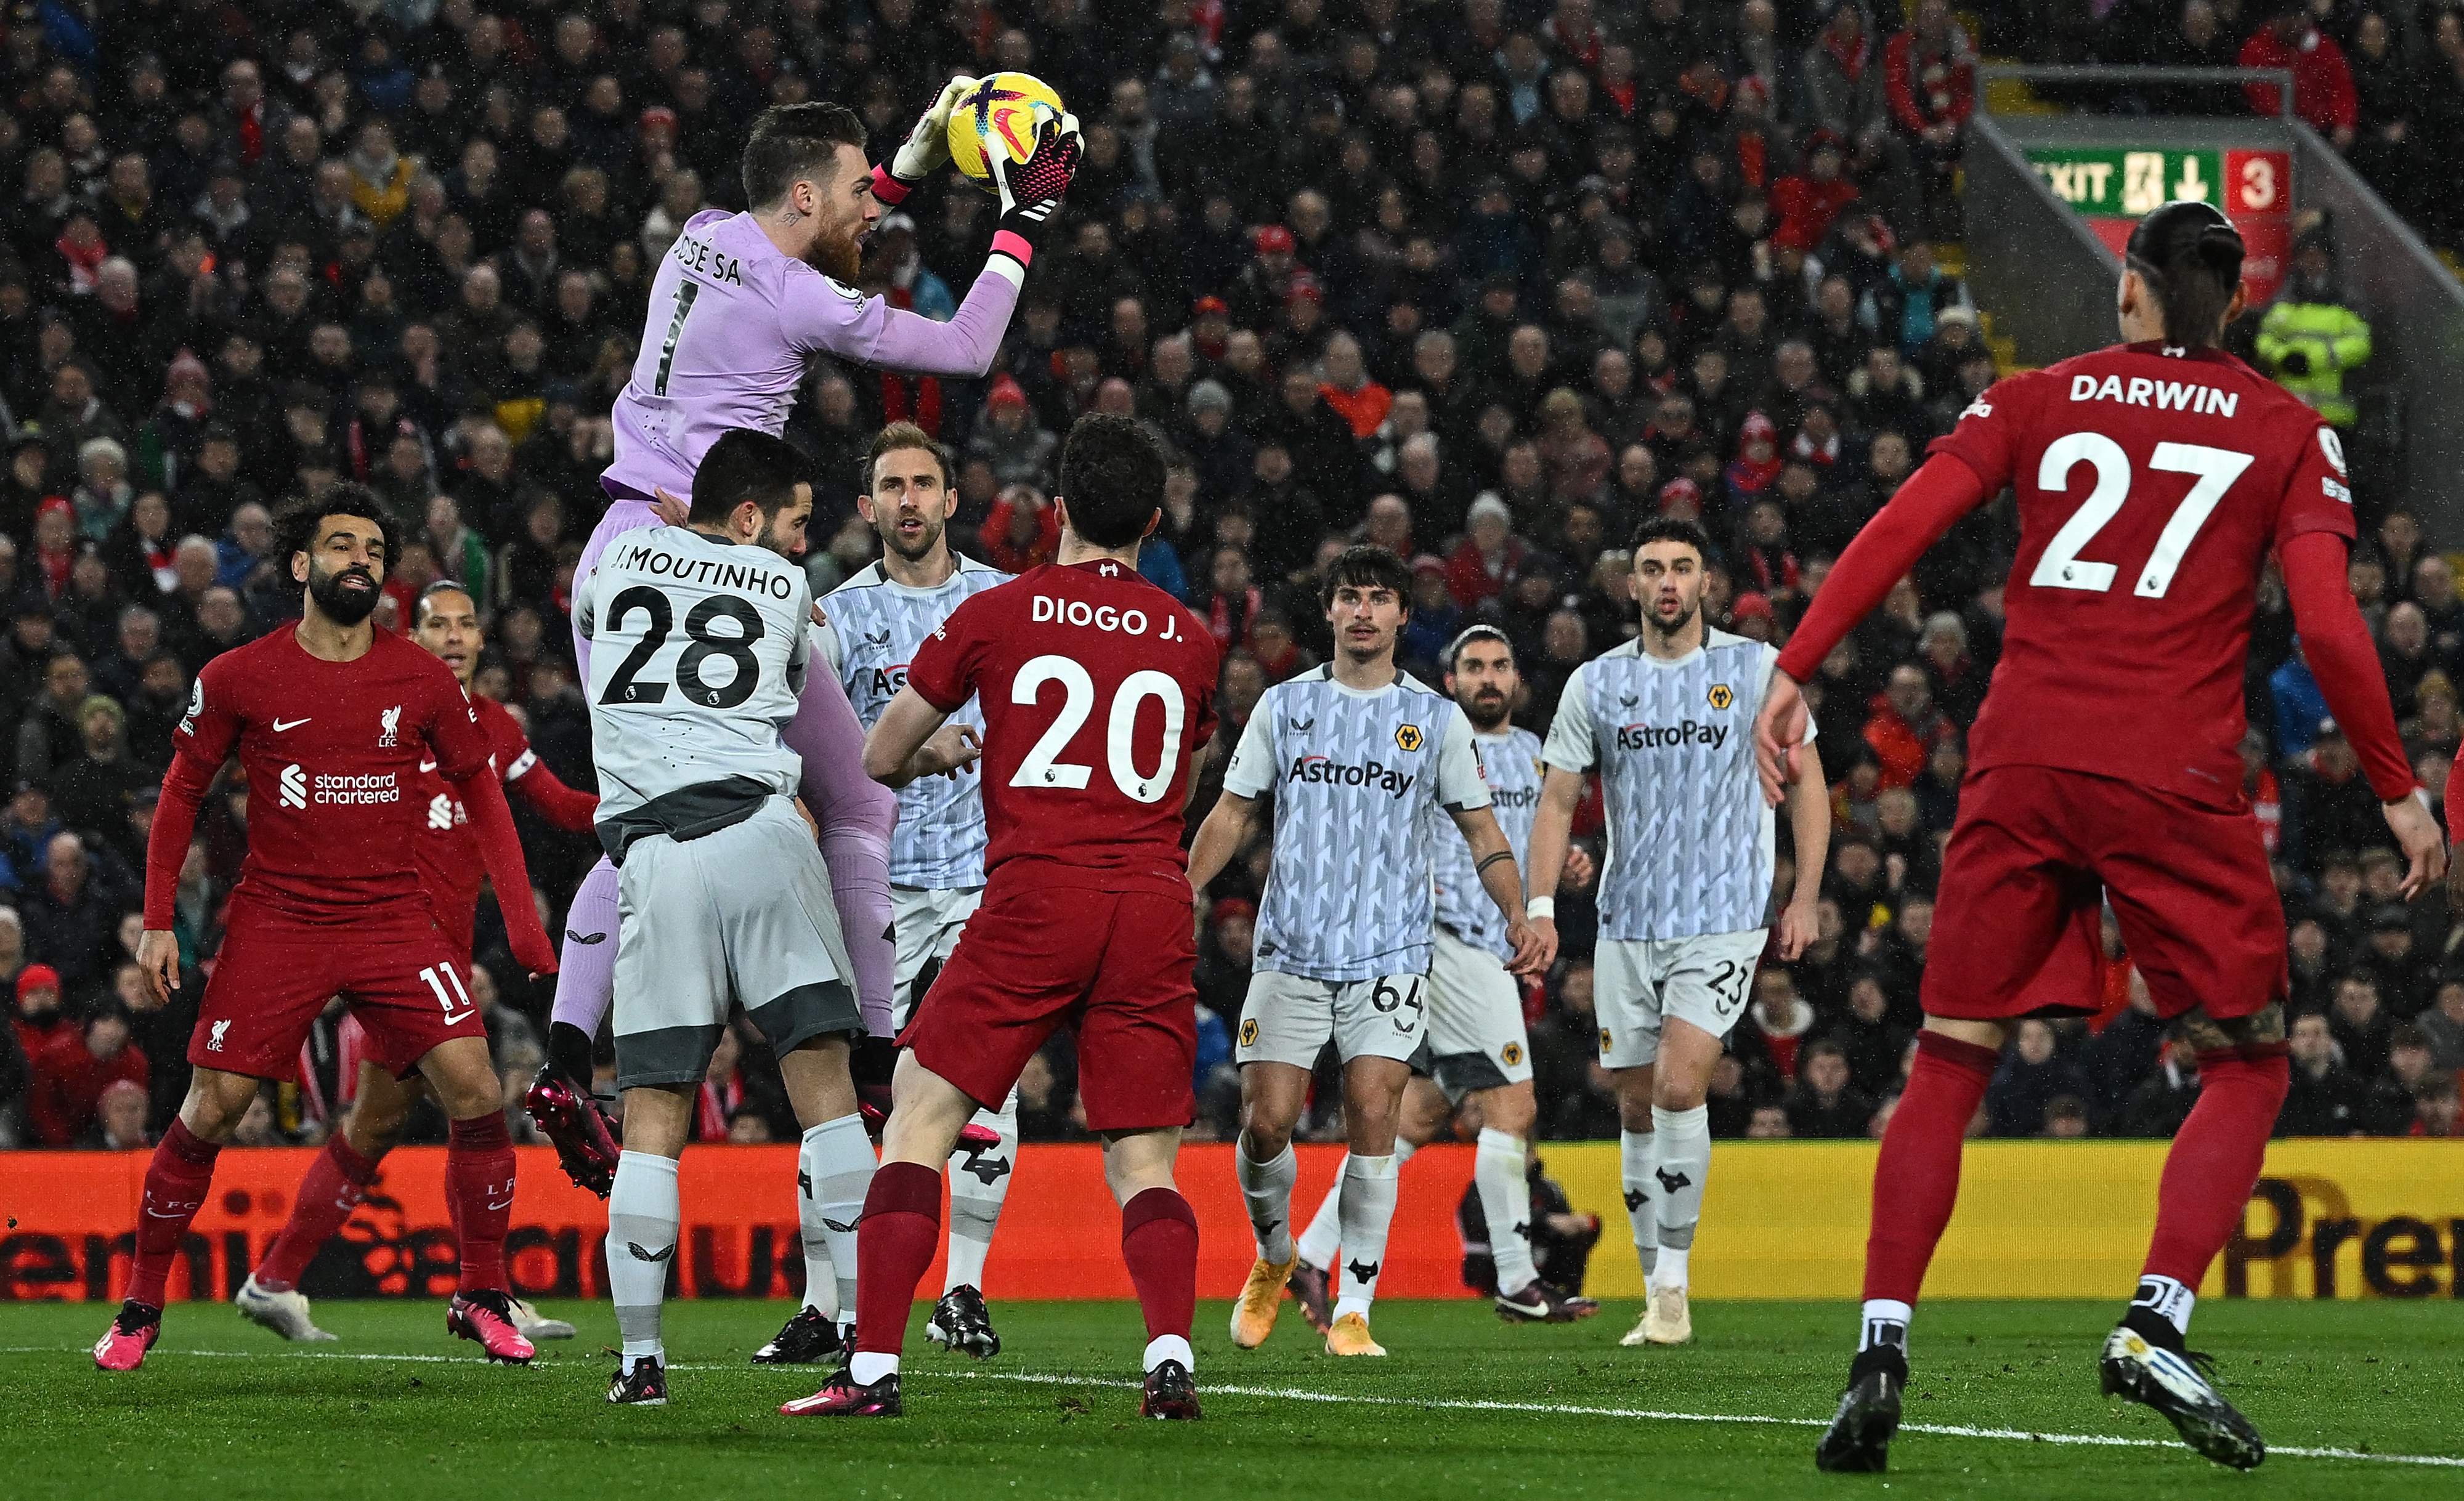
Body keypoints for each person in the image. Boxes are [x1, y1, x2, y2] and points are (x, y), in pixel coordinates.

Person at [1754, 201, 2441, 1473]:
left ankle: (1880, 1348)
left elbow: (1907, 519)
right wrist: (2396, 786)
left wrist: (1796, 665)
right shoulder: (2290, 434)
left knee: (1948, 1055)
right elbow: (2332, 628)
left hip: (2019, 758)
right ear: (2228, 307)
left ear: (2127, 292)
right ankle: (2152, 1323)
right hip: (2169, 770)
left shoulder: (2035, 397)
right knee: (2247, 1061)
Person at [530, 89, 1085, 1184]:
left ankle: (558, 1060)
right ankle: (879, 1060)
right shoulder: (799, 301)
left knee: (655, 816)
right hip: (712, 565)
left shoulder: (702, 237)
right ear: (801, 191)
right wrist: (1027, 213)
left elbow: (824, 224)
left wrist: (914, 162)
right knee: (859, 802)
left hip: (617, 554)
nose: (870, 211)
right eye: (857, 185)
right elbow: (969, 347)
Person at [784, 414, 1222, 1419]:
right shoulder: (1192, 640)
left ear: (1058, 510)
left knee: (921, 1115)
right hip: (1150, 903)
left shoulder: (1004, 612)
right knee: (1144, 1158)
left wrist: (940, 756)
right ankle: (1167, 1359)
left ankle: (874, 1369)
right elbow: (1183, 783)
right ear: (1153, 519)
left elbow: (880, 755)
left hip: (1035, 892)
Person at [95, 485, 560, 1372]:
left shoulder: (419, 676)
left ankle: (482, 1294)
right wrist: (160, 923)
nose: (361, 561)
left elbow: (482, 792)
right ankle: (140, 1305)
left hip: (392, 916)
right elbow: (180, 793)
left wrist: (523, 909)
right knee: (214, 1107)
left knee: (476, 1087)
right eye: (341, 546)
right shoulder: (239, 675)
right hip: (279, 918)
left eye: (375, 552)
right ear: (303, 566)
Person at [1191, 544, 1552, 1359]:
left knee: (1375, 1119)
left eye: (1377, 598)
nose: (1362, 610)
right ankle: (1278, 1253)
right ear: (1329, 611)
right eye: (1349, 596)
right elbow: (1233, 812)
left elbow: (1482, 830)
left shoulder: (1436, 719)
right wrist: (1183, 892)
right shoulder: (1286, 708)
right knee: (1266, 1125)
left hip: (1390, 956)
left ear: (1400, 614)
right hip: (1291, 950)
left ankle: (1354, 1306)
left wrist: (1517, 913)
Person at [582, 430, 878, 1409]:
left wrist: (683, 542)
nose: (799, 547)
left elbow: (620, 602)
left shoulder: (614, 557)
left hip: (654, 862)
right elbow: (800, 660)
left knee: (653, 1118)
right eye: (792, 525)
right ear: (753, 518)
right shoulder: (786, 589)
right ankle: (863, 1347)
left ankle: (639, 1365)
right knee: (826, 1093)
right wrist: (746, 563)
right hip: (759, 837)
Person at [231, 578, 598, 1346]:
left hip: (439, 959)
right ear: (413, 635)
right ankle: (485, 1290)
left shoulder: (495, 726)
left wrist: (651, 803)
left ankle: (275, 1278)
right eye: (440, 624)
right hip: (391, 951)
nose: (457, 636)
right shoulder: (384, 716)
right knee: (478, 1100)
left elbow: (562, 808)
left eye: (468, 624)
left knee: (378, 1124)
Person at [1524, 516, 1831, 1348]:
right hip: (1629, 919)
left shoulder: (1758, 669)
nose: (1667, 582)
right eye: (1652, 568)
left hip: (1724, 917)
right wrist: (1544, 906)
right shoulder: (1596, 683)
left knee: (1677, 1085)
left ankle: (1672, 1289)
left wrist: (1803, 895)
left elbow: (1806, 785)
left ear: (1706, 584)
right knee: (1632, 1100)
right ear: (1632, 587)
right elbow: (1557, 800)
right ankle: (1650, 1275)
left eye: (1682, 567)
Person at [1284, 626, 1600, 1329]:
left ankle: (1305, 1257)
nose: (1488, 677)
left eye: (1500, 664)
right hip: (1446, 944)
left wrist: (1568, 865)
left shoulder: (1535, 757)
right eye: (1473, 666)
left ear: (1516, 678)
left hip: (1491, 954)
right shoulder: (1427, 744)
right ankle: (1518, 1278)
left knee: (1417, 1117)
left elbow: (1532, 844)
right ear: (1450, 680)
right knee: (1513, 1108)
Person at [782, 421, 1011, 1368]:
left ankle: (963, 1289)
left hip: (981, 879)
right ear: (869, 506)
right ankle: (821, 1304)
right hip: (870, 881)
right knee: (836, 1082)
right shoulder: (833, 619)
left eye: (925, 482)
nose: (909, 499)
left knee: (984, 1084)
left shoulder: (1004, 603)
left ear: (952, 500)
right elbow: (809, 758)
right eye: (892, 485)